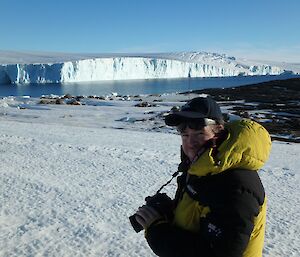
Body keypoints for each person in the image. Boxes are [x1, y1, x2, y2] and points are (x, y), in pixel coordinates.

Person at [132, 96, 271, 257]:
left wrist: (159, 230)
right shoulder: (203, 168)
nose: (190, 143)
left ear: (218, 131)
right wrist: (170, 213)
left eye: (199, 133)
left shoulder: (235, 187)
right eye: (185, 135)